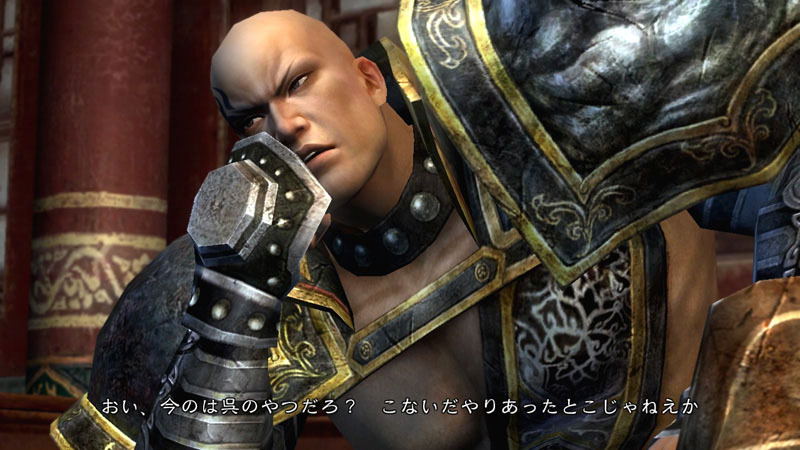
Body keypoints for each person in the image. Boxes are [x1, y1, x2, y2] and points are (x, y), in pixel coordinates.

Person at [51, 6, 800, 450]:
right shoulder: (241, 285)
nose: (284, 124)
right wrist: (234, 316)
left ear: (368, 79)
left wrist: (762, 366)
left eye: (299, 82)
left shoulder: (546, 108)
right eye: (249, 117)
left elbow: (777, 116)